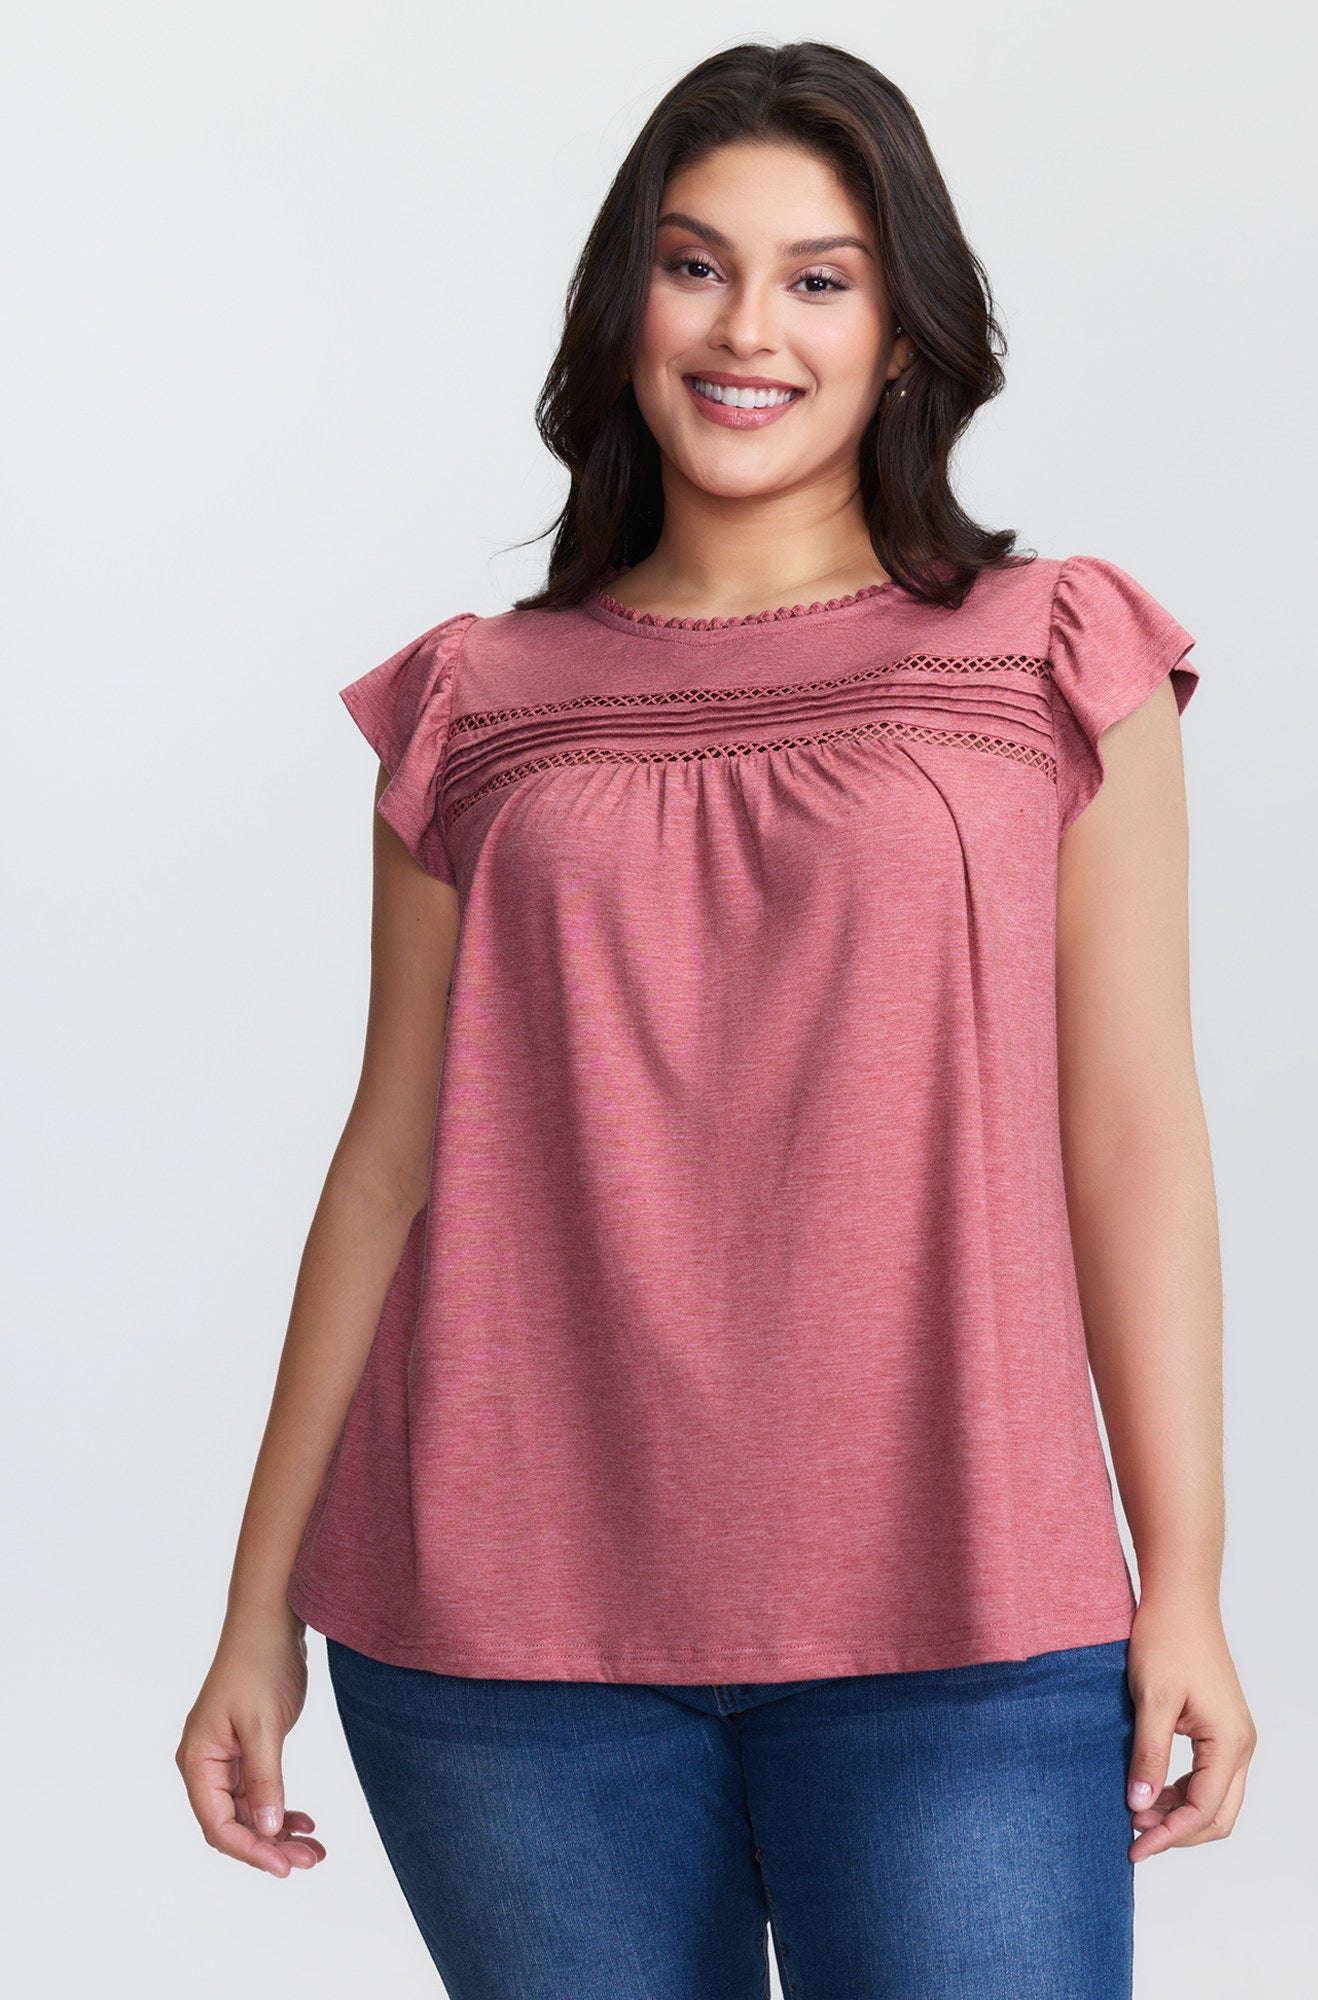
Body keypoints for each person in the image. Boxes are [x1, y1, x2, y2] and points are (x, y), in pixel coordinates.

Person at [177, 37, 1255, 2000]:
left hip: (966, 1611)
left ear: (903, 336)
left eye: (819, 278)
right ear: (629, 308)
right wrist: (255, 1611)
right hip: (497, 1639)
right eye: (696, 266)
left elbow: (1133, 1136)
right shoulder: (474, 700)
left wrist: (1182, 1579)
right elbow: (392, 1162)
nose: (749, 326)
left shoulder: (1050, 654)